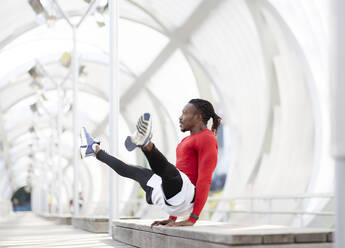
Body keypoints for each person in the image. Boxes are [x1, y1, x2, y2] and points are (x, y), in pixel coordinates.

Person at [80, 99, 221, 227]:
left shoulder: (207, 138)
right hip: (171, 198)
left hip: (187, 197)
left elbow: (205, 179)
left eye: (184, 113)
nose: (180, 117)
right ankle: (94, 150)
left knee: (167, 171)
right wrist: (172, 217)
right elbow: (173, 179)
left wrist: (193, 218)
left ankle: (146, 143)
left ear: (198, 117)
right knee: (135, 171)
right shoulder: (186, 141)